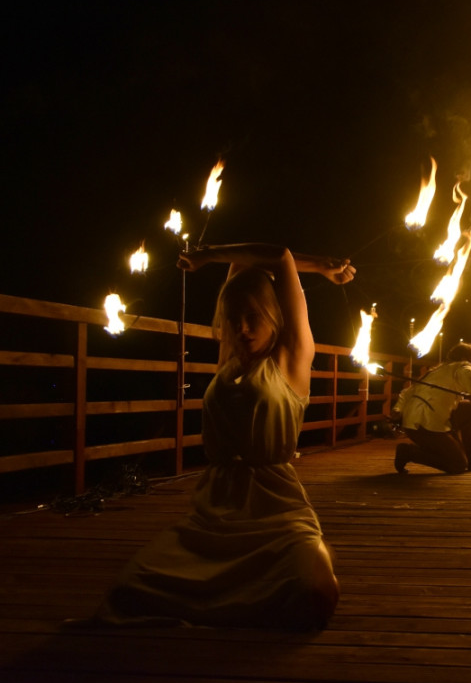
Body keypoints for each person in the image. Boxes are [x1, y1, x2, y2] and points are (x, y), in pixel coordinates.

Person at [89, 243, 355, 631]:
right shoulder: (230, 358)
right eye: (234, 319)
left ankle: (311, 552)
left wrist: (208, 254)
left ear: (274, 315)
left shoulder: (292, 357)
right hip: (216, 509)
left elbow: (280, 258)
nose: (242, 329)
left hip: (275, 507)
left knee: (314, 595)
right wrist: (319, 264)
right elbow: (242, 265)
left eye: (253, 317)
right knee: (129, 589)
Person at [393, 342, 471, 474]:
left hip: (413, 422)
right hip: (425, 426)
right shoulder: (466, 368)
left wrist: (397, 410)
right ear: (467, 357)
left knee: (468, 409)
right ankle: (409, 452)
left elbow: (407, 392)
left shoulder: (437, 370)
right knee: (458, 464)